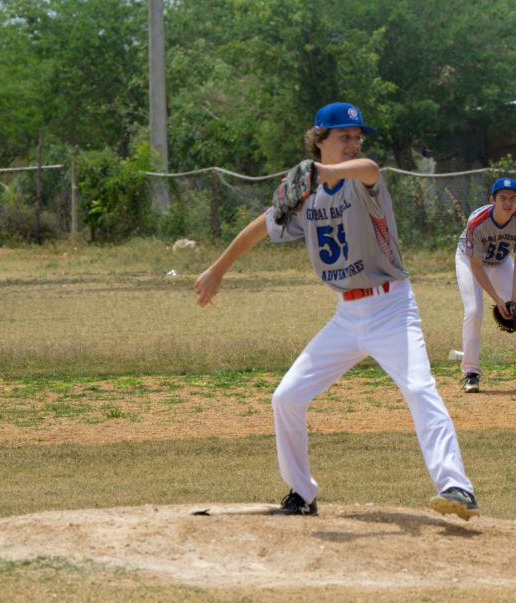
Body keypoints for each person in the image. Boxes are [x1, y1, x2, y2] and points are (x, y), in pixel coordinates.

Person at [194, 102, 479, 520]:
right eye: (344, 136)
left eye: (357, 136)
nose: (353, 143)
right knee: (286, 397)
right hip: (347, 316)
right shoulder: (306, 196)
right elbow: (262, 225)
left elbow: (370, 169)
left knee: (420, 389)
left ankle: (457, 486)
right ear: (319, 140)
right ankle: (302, 493)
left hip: (392, 308)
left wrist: (326, 173)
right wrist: (218, 269)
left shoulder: (360, 181)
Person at [455, 176, 516, 393]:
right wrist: (499, 301)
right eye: (502, 198)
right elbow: (477, 266)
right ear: (492, 199)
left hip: (501, 261)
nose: (508, 203)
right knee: (474, 311)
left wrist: (514, 300)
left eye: (513, 198)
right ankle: (471, 373)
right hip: (470, 261)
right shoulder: (477, 222)